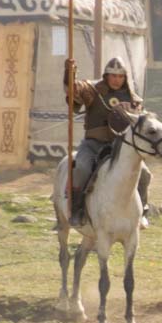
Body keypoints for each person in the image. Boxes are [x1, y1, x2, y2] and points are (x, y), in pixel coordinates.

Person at [63, 56, 151, 228]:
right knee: (82, 168)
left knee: (145, 174)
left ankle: (142, 212)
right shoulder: (93, 90)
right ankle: (77, 210)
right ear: (106, 76)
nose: (116, 80)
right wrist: (70, 73)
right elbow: (74, 90)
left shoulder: (133, 99)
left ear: (125, 78)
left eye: (120, 76)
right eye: (113, 75)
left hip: (120, 148)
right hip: (94, 144)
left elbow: (139, 124)